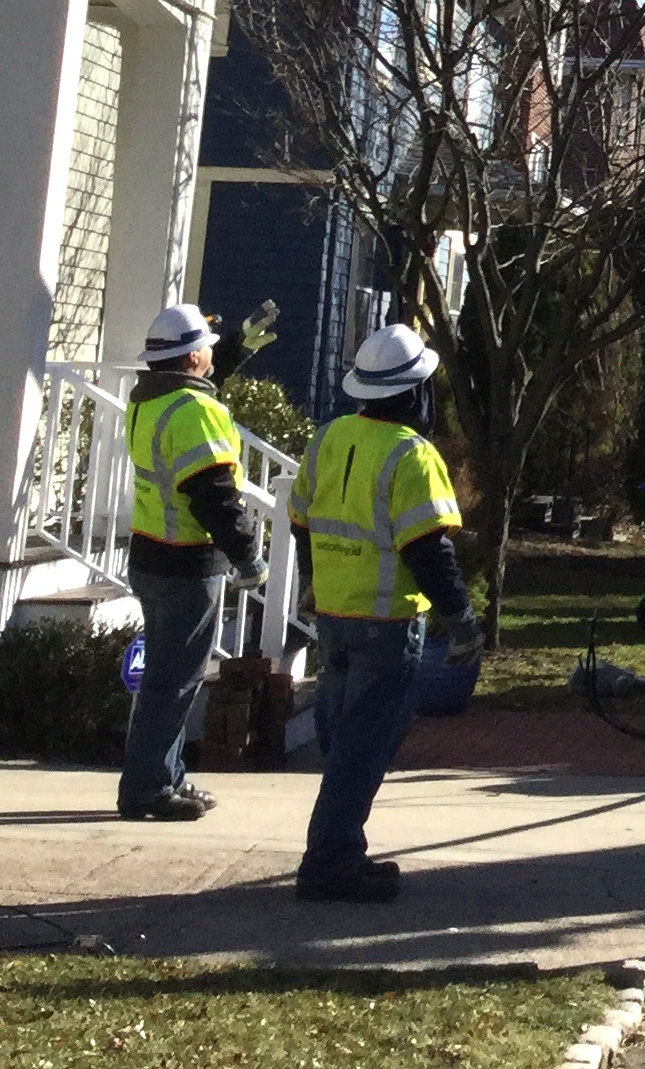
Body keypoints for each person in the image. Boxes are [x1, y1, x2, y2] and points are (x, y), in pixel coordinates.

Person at [286, 323, 482, 903]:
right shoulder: (412, 454)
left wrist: (312, 584)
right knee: (364, 745)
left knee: (342, 737)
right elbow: (429, 549)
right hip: (387, 623)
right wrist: (464, 621)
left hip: (335, 617)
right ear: (415, 393)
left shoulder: (328, 437)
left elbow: (302, 521)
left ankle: (343, 850)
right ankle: (328, 863)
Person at [117, 302, 267, 822]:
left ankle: (166, 778)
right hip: (186, 563)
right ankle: (148, 790)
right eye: (207, 347)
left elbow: (195, 381)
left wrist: (234, 350)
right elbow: (215, 497)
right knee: (172, 684)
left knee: (165, 679)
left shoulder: (147, 400)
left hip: (150, 556)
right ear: (194, 356)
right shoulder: (196, 412)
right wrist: (248, 556)